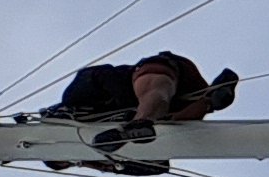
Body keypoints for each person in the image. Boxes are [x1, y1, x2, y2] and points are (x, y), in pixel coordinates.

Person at [53, 52, 238, 152]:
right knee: (174, 118)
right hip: (170, 93)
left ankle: (140, 123)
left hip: (147, 77)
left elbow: (96, 77)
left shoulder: (73, 100)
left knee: (155, 92)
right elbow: (156, 168)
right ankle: (211, 99)